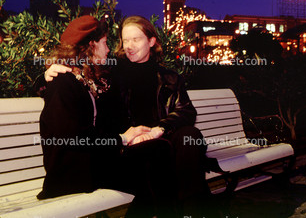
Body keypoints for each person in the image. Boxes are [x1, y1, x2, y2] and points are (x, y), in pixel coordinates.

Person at [44, 15, 221, 218]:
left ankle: (193, 210)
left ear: (151, 41)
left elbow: (185, 111)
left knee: (190, 136)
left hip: (158, 137)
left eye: (135, 39)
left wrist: (158, 130)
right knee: (162, 163)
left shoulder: (170, 77)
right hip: (126, 145)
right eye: (125, 40)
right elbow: (72, 85)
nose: (128, 46)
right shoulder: (111, 72)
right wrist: (47, 74)